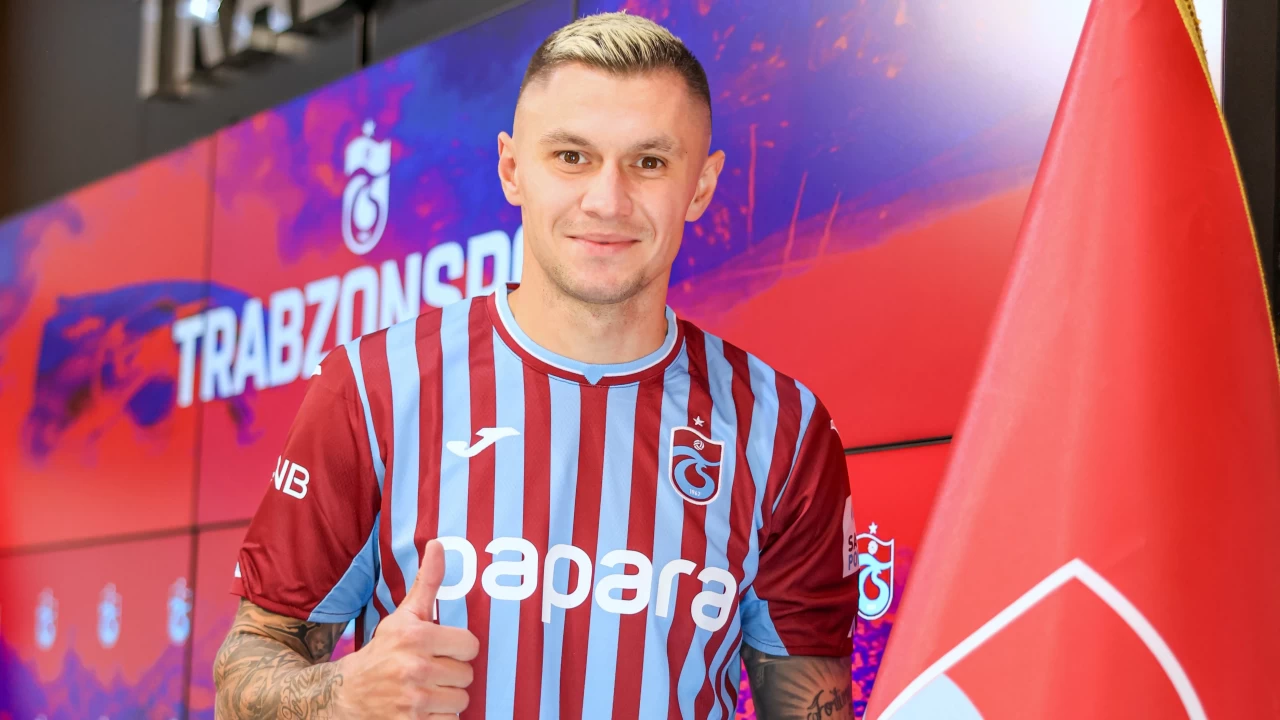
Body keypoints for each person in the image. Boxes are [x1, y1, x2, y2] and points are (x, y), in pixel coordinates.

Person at [213, 11, 859, 719]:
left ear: (700, 186)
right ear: (513, 169)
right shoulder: (374, 388)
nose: (606, 201)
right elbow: (245, 673)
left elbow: (812, 706)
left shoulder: (783, 430)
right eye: (572, 157)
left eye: (649, 162)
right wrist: (342, 694)